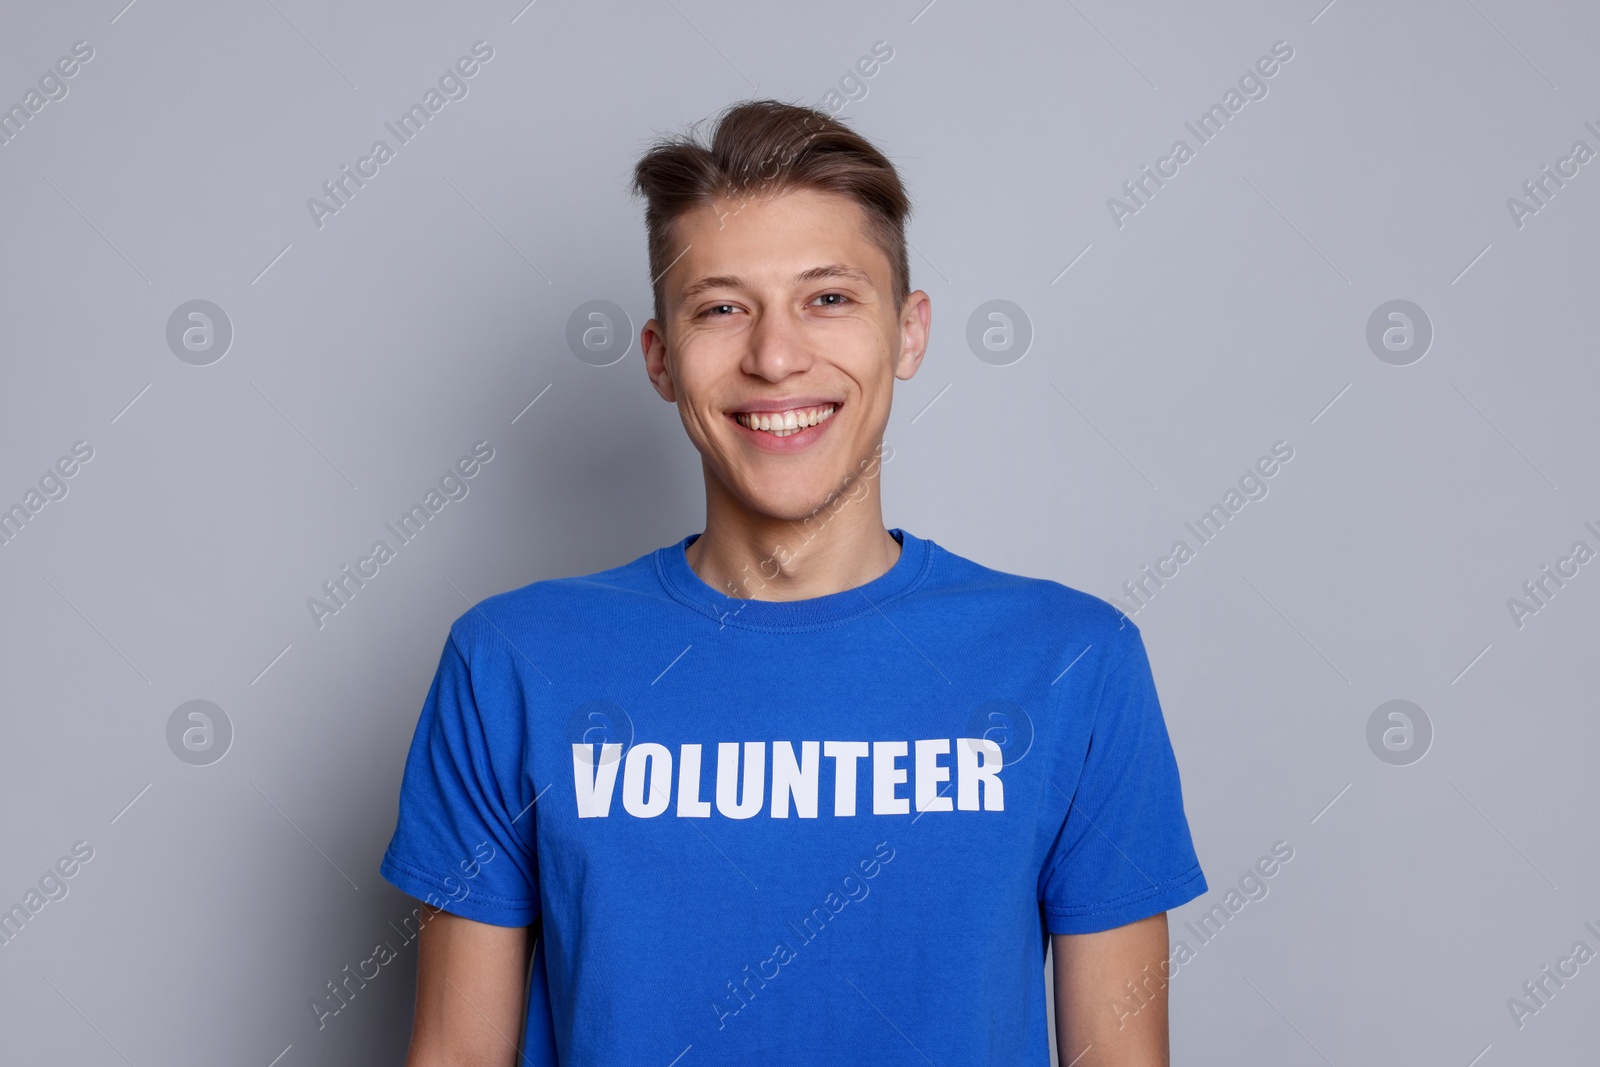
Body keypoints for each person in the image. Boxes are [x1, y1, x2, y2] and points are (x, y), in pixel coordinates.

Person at [379, 98, 1206, 1066]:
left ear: (907, 331)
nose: (775, 356)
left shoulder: (1071, 658)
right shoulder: (514, 661)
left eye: (828, 297)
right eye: (721, 307)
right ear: (660, 357)